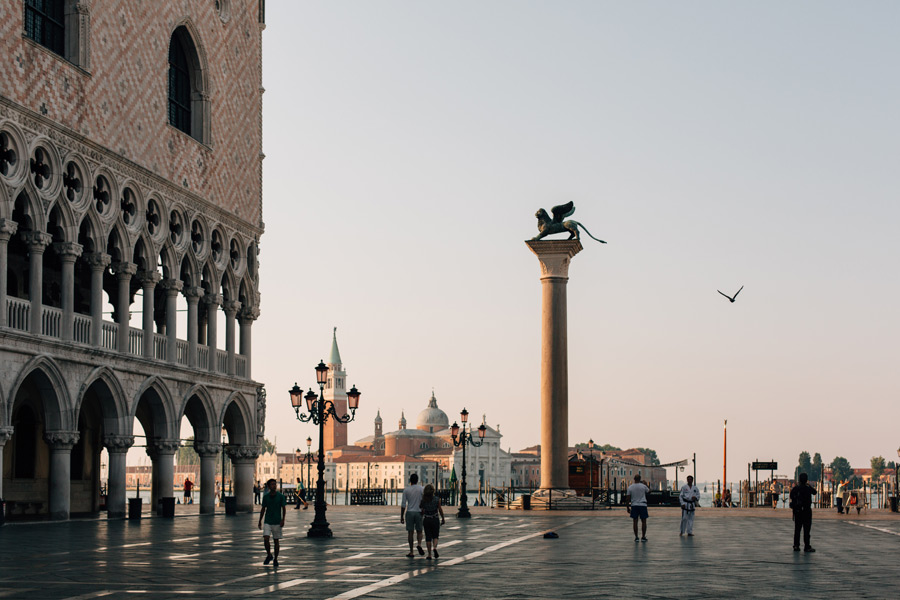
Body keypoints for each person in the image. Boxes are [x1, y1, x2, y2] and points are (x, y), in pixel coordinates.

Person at [258, 478, 287, 566]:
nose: (274, 486)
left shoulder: (280, 496)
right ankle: (269, 554)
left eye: (275, 484)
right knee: (266, 538)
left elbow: (284, 508)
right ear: (269, 486)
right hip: (268, 521)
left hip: (277, 521)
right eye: (272, 484)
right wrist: (260, 520)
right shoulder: (266, 497)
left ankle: (276, 558)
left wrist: (283, 519)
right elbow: (263, 509)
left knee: (276, 540)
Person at [789, 472, 816, 552]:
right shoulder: (808, 488)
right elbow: (815, 492)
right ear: (806, 480)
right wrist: (808, 485)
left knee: (797, 529)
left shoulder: (796, 488)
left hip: (797, 511)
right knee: (806, 530)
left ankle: (796, 545)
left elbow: (791, 496)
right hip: (806, 511)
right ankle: (807, 546)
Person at [400, 473, 425, 557]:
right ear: (417, 480)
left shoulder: (406, 490)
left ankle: (411, 551)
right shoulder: (422, 489)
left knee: (410, 532)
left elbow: (403, 504)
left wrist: (402, 516)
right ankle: (419, 544)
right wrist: (423, 510)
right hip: (419, 512)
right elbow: (424, 501)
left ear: (410, 480)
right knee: (419, 531)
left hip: (410, 512)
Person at [420, 484, 445, 559]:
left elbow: (421, 509)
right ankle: (434, 547)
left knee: (428, 537)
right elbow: (440, 509)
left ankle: (429, 554)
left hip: (427, 519)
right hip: (435, 518)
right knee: (435, 536)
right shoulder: (437, 499)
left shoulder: (423, 500)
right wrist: (443, 518)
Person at [625, 474, 650, 542]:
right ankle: (643, 536)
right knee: (644, 522)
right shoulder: (643, 486)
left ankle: (636, 537)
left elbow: (628, 498)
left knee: (635, 522)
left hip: (634, 505)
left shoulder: (630, 487)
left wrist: (628, 508)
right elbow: (649, 491)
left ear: (634, 479)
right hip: (643, 505)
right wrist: (646, 484)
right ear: (640, 479)